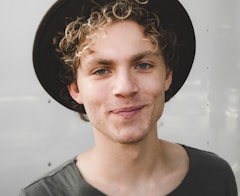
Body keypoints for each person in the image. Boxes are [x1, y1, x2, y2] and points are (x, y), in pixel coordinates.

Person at [20, 0, 238, 195]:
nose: (125, 87)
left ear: (167, 76)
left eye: (143, 65)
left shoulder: (215, 178)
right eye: (101, 70)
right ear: (76, 89)